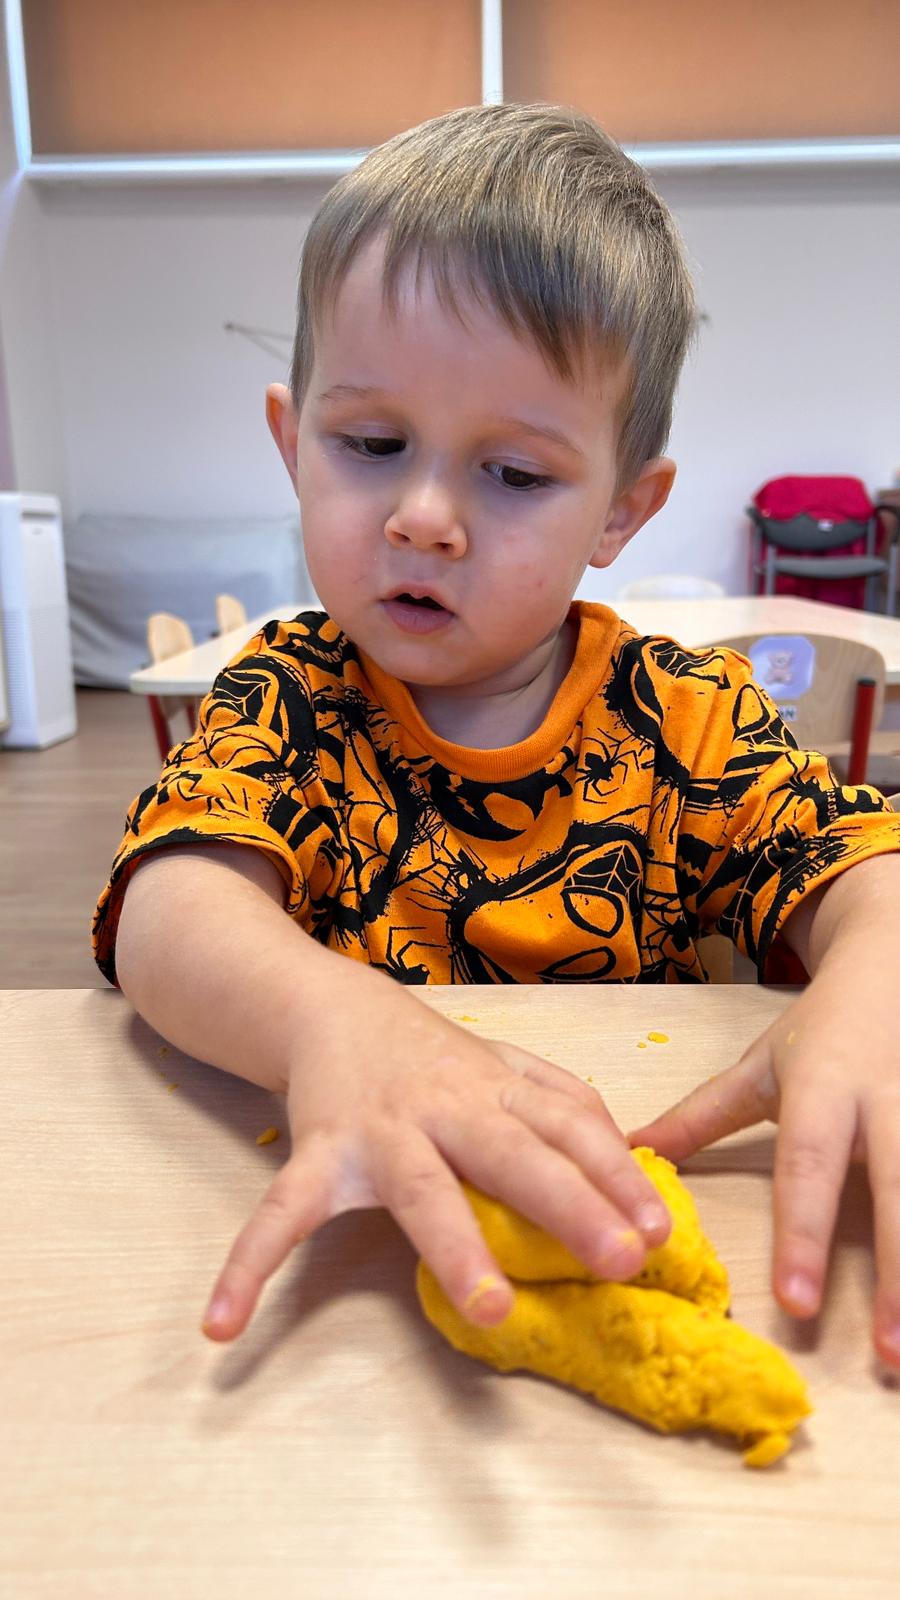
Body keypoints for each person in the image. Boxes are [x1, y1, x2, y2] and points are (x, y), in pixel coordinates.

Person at [94, 102, 900, 1369]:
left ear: (621, 511)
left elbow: (857, 864)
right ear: (292, 442)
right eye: (372, 444)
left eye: (513, 475)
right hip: (362, 1287)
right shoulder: (288, 697)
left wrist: (877, 973)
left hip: (628, 1236)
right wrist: (330, 1025)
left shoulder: (687, 719)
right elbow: (169, 909)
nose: (423, 515)